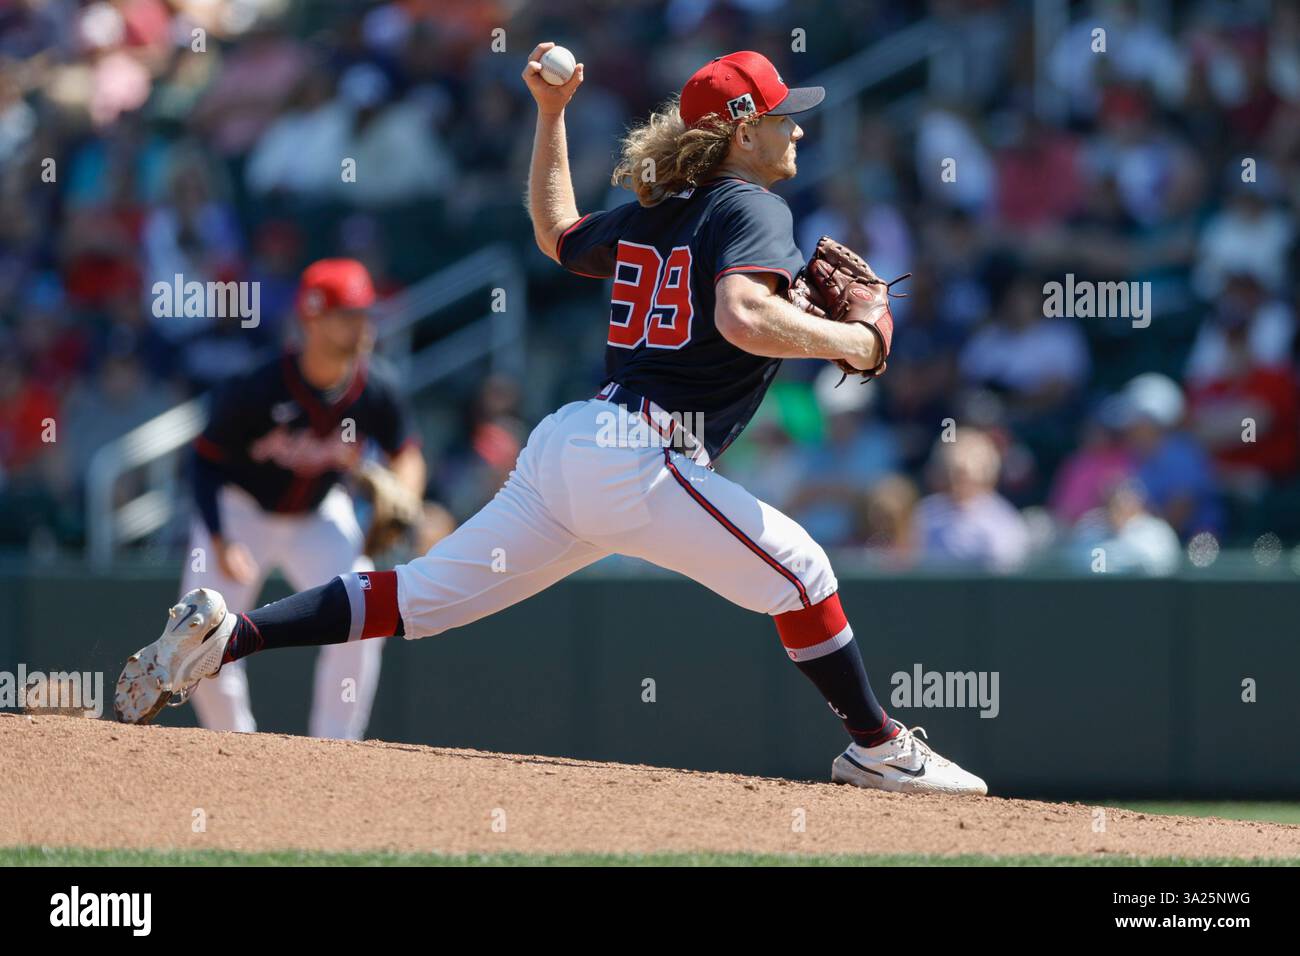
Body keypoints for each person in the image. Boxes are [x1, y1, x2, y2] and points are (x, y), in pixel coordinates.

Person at [115, 46, 986, 796]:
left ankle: (231, 635)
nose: (798, 129)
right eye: (784, 118)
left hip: (578, 442)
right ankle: (879, 747)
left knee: (422, 598)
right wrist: (861, 343)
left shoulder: (662, 209)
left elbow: (557, 230)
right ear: (742, 130)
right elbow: (741, 319)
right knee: (803, 573)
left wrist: (551, 113)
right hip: (641, 453)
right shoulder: (750, 205)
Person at [178, 258, 425, 739]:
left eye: (365, 314)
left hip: (317, 515)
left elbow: (407, 453)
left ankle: (333, 750)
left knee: (366, 612)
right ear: (312, 318)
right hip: (239, 509)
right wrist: (220, 538)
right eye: (348, 315)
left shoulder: (376, 387)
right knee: (199, 638)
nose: (363, 326)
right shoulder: (257, 385)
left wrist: (405, 494)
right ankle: (236, 747)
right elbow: (204, 460)